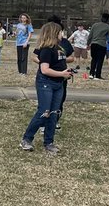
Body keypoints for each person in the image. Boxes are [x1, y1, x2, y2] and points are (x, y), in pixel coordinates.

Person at [18, 21, 71, 154]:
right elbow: (45, 69)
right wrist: (61, 73)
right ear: (54, 33)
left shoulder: (60, 48)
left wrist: (66, 72)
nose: (62, 34)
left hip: (59, 84)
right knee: (44, 111)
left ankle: (49, 142)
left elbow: (59, 64)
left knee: (54, 113)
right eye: (60, 32)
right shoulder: (47, 49)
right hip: (46, 82)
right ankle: (26, 139)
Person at [88, 13, 109, 79]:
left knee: (94, 59)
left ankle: (91, 73)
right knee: (100, 60)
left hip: (93, 44)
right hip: (102, 45)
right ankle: (98, 75)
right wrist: (108, 41)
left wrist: (88, 44)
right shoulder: (108, 27)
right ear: (108, 19)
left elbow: (90, 36)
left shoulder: (95, 25)